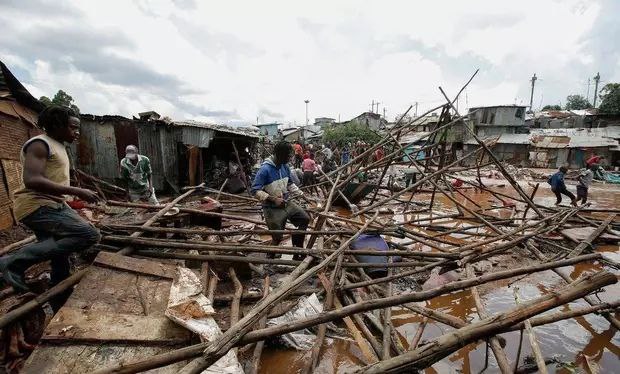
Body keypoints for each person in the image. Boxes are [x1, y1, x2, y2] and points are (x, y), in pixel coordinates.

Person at [0, 106, 101, 298]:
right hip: (37, 205)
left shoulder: (58, 145)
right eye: (73, 128)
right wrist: (76, 190)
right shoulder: (39, 144)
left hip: (51, 204)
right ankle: (13, 262)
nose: (77, 132)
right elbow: (32, 180)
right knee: (88, 235)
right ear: (57, 125)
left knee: (59, 258)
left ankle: (59, 299)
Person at [251, 141, 310, 260]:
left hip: (285, 203)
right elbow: (255, 190)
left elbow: (290, 184)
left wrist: (302, 194)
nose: (290, 158)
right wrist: (273, 199)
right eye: (288, 156)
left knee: (304, 219)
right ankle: (270, 259)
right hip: (271, 207)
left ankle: (297, 251)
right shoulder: (265, 169)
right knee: (277, 237)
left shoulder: (285, 167)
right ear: (280, 155)